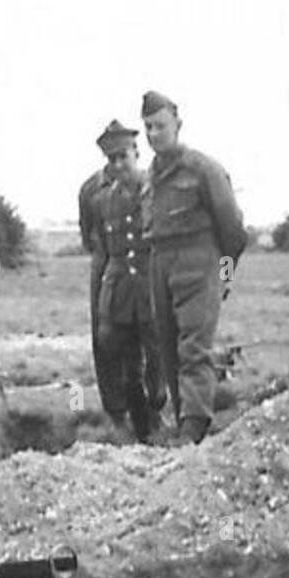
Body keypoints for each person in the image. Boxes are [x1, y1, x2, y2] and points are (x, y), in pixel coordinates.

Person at [140, 89, 246, 444]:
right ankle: (182, 419)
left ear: (178, 125)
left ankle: (194, 427)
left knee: (193, 348)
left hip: (198, 262)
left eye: (161, 126)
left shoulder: (203, 170)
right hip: (160, 264)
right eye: (149, 128)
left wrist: (223, 276)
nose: (155, 134)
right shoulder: (150, 177)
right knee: (167, 348)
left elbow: (233, 231)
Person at [91, 120, 162, 441]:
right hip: (121, 295)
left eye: (123, 157)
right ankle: (141, 430)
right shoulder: (103, 201)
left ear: (137, 152)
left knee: (159, 362)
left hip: (153, 289)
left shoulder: (157, 189)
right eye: (112, 159)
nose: (118, 165)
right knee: (129, 368)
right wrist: (102, 305)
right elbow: (104, 255)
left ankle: (161, 417)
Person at [79, 129, 115, 423]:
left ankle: (152, 407)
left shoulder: (147, 183)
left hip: (141, 265)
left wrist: (225, 274)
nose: (116, 159)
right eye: (110, 153)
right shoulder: (90, 189)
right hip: (104, 263)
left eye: (123, 153)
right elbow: (87, 236)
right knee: (104, 336)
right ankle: (115, 409)